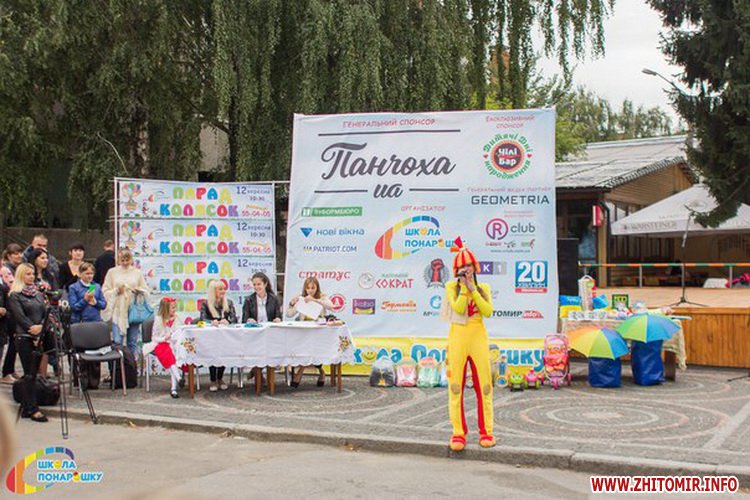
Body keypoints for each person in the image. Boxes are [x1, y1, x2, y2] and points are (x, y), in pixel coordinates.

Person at [443, 237, 495, 451]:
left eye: (469, 265)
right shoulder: (451, 287)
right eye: (462, 267)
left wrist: (473, 289)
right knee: (456, 387)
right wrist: (464, 289)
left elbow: (488, 311)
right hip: (458, 338)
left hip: (478, 338)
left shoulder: (483, 287)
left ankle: (486, 431)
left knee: (485, 386)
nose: (466, 270)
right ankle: (458, 432)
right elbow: (457, 307)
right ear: (456, 270)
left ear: (475, 267)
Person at [7, 263, 52, 422]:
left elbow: (46, 313)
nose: (31, 277)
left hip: (40, 334)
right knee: (29, 373)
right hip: (24, 337)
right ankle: (32, 408)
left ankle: (27, 406)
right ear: (21, 275)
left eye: (33, 274)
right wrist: (32, 328)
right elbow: (19, 316)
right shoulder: (15, 295)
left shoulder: (38, 294)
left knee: (34, 373)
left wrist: (41, 327)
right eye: (28, 274)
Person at [285, 277, 334, 388]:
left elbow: (331, 306)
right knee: (304, 349)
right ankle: (320, 372)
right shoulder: (302, 298)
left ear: (317, 288)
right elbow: (289, 314)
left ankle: (301, 371)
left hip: (318, 331)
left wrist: (315, 300)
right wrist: (291, 303)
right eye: (308, 288)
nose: (310, 290)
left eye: (313, 288)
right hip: (304, 331)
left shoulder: (322, 297)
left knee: (314, 349)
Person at [102, 248, 149, 358]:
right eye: (122, 260)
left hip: (133, 310)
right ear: (118, 260)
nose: (125, 263)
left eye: (127, 260)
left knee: (132, 341)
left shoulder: (137, 273)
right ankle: (118, 365)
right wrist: (116, 291)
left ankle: (130, 365)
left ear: (131, 259)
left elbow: (146, 290)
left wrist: (138, 291)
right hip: (118, 311)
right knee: (117, 341)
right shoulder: (112, 272)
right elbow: (105, 290)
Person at [199, 280, 237, 391]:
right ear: (213, 291)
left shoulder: (229, 302)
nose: (223, 291)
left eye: (224, 289)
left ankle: (220, 378)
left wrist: (228, 321)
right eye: (220, 289)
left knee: (224, 352)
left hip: (225, 336)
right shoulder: (206, 304)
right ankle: (213, 380)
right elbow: (202, 319)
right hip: (211, 337)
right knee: (212, 353)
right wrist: (211, 322)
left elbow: (234, 318)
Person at [147, 297, 183, 398]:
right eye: (172, 308)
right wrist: (164, 338)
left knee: (173, 359)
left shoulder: (177, 318)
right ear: (166, 309)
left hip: (174, 343)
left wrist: (174, 336)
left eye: (175, 307)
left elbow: (180, 331)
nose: (175, 310)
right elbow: (154, 337)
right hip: (161, 344)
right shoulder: (158, 320)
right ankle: (177, 380)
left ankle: (174, 388)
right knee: (170, 357)